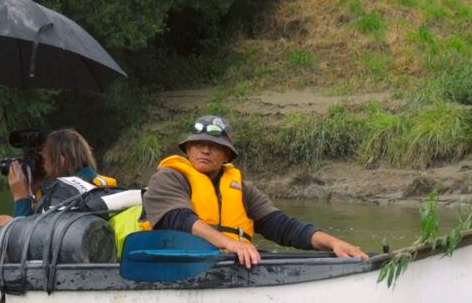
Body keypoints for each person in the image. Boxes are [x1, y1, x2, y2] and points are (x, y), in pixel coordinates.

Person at [142, 115, 367, 269]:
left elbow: (282, 226)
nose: (206, 150)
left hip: (227, 266)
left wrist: (334, 243)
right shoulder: (168, 177)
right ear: (188, 149)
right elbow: (179, 219)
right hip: (175, 266)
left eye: (214, 145)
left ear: (227, 155)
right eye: (198, 144)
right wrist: (230, 244)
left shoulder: (242, 189)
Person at [6, 128, 117, 218]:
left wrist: (21, 198)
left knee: (1, 221)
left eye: (44, 160)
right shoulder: (101, 184)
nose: (42, 166)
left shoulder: (61, 197)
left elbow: (24, 235)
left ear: (60, 161)